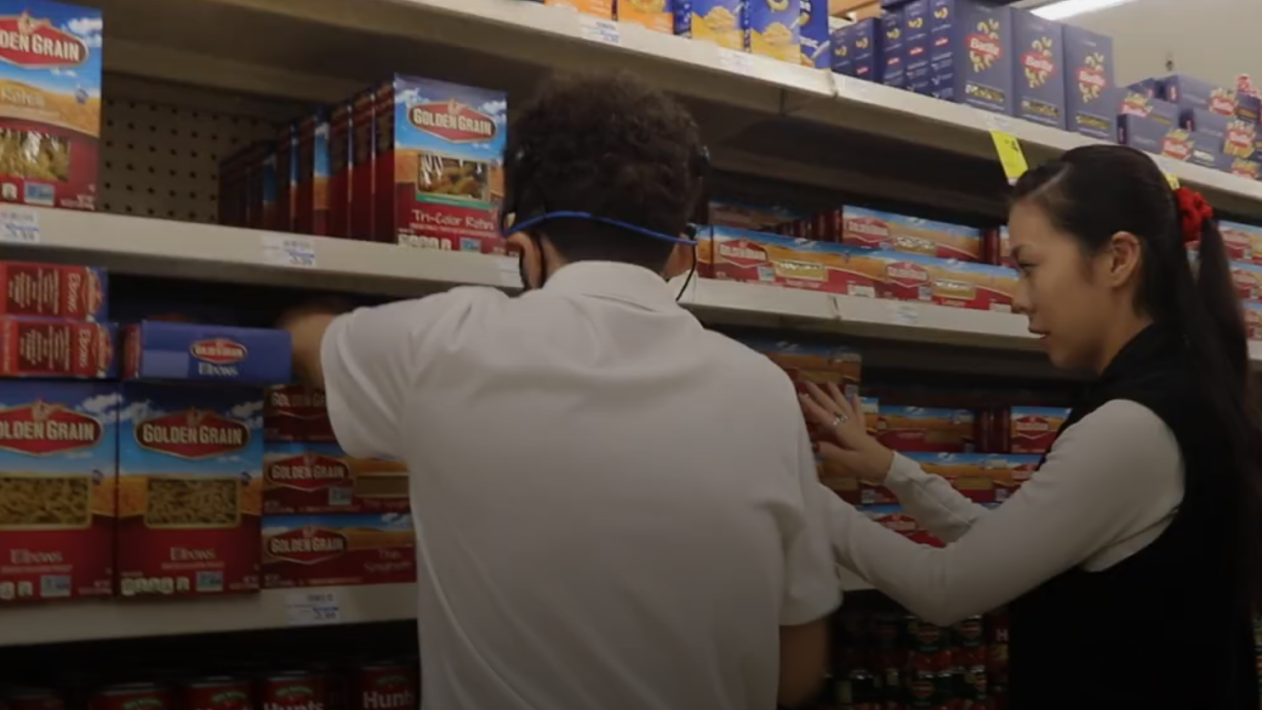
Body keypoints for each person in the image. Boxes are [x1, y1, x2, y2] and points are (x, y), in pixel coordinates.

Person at [280, 72, 840, 710]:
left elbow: (304, 341)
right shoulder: (766, 391)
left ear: (523, 248)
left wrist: (309, 306)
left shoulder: (444, 339)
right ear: (682, 257)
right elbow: (798, 669)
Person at [801, 144, 1261, 708]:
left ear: (1118, 259)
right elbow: (1009, 555)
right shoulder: (1175, 389)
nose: (1017, 299)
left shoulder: (1133, 426)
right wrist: (891, 470)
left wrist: (794, 494)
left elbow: (944, 589)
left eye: (1029, 266)